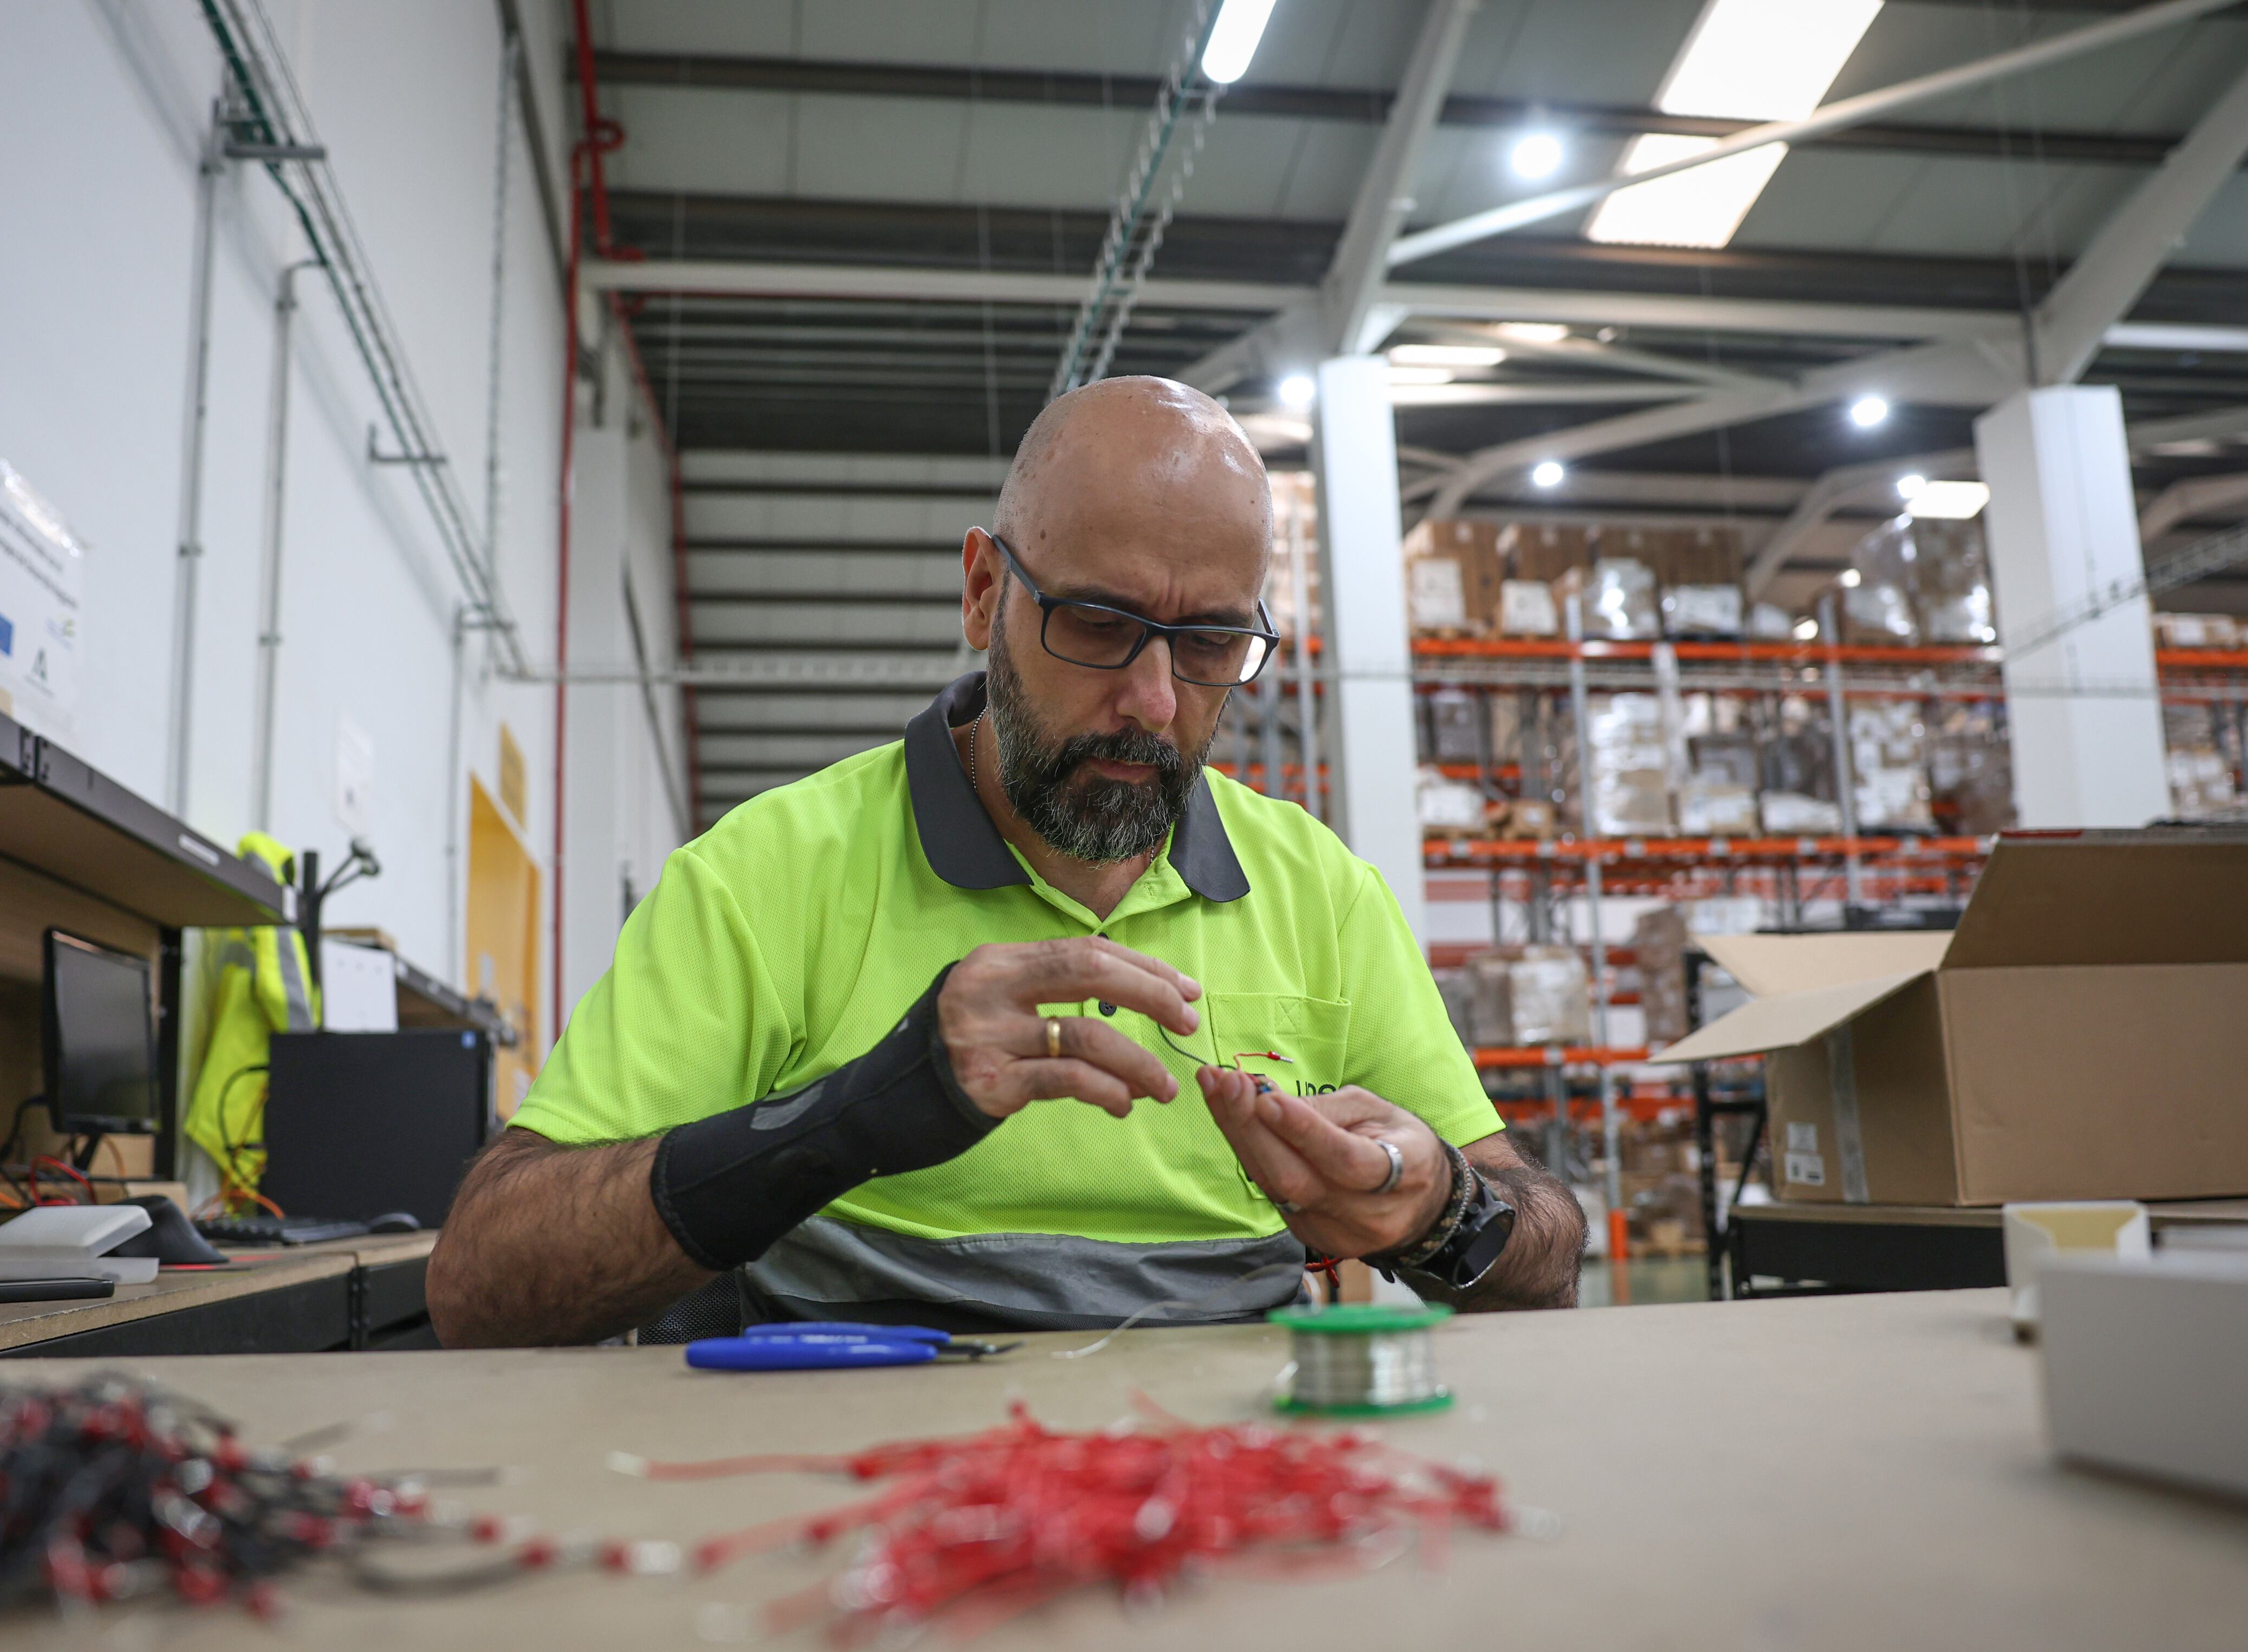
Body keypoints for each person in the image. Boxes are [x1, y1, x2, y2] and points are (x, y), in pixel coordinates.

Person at [428, 377, 1583, 1345]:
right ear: (984, 590)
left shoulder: (1321, 894)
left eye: (1211, 642)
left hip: (1230, 1504)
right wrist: (843, 1121)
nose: (1150, 699)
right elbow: (482, 1282)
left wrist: (1439, 1205)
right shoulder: (765, 875)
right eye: (1094, 620)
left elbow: (1545, 1257)